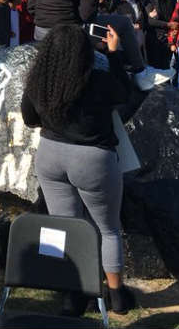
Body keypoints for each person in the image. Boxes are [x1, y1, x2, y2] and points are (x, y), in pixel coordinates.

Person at [21, 25, 135, 314]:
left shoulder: (39, 81)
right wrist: (114, 54)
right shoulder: (98, 80)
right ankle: (117, 295)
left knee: (64, 228)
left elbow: (30, 119)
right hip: (93, 158)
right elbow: (126, 94)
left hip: (50, 154)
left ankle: (72, 295)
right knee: (108, 229)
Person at [145, 0, 176, 70]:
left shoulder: (170, 0)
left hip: (168, 37)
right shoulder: (150, 0)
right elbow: (150, 21)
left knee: (166, 65)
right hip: (154, 37)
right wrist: (167, 24)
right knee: (155, 66)